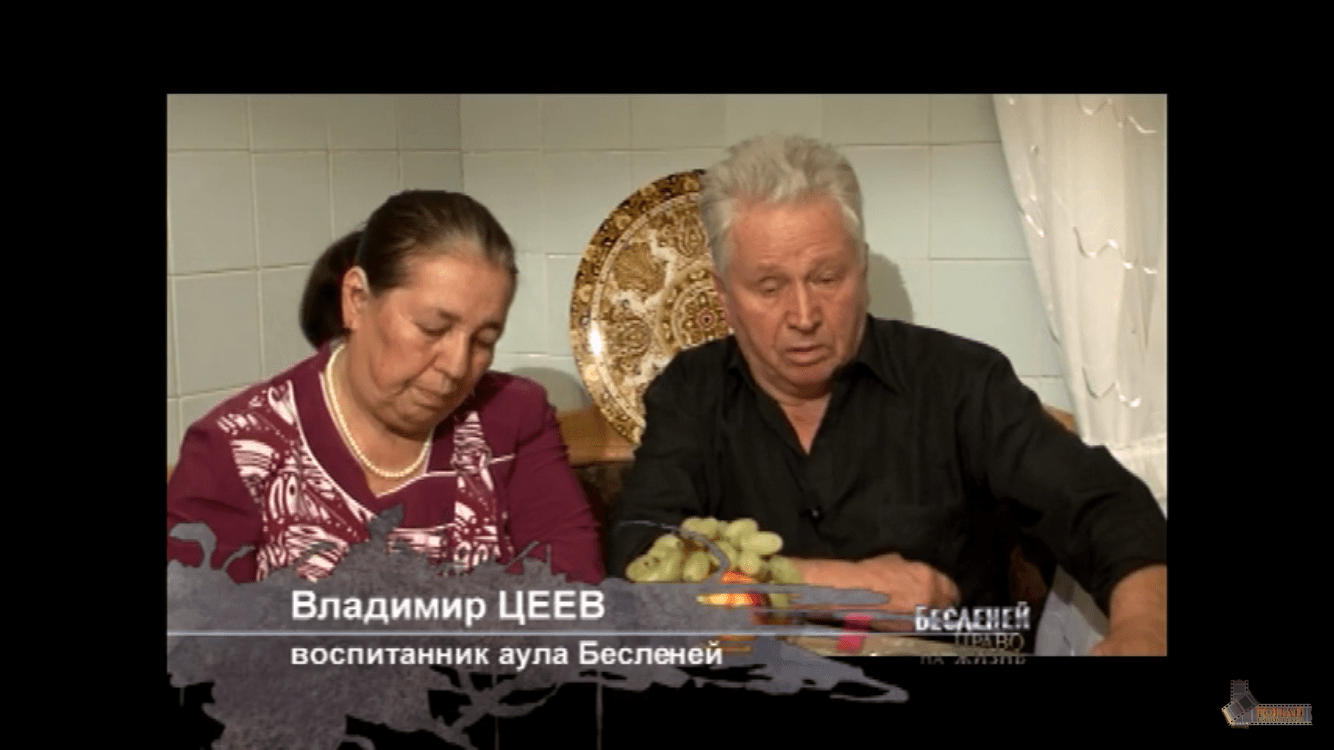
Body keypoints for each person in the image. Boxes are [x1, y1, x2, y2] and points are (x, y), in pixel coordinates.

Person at [607, 135, 1166, 655]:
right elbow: (642, 558)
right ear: (724, 296)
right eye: (770, 287)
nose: (803, 315)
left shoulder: (960, 380)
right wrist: (836, 588)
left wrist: (1144, 630)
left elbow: (1102, 506)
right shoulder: (690, 392)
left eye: (827, 278)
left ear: (862, 271)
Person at [168, 190, 604, 585]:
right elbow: (196, 632)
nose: (456, 367)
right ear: (357, 299)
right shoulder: (237, 447)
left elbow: (573, 592)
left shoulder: (512, 417)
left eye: (484, 341)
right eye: (433, 328)